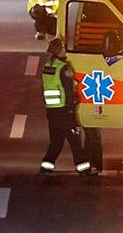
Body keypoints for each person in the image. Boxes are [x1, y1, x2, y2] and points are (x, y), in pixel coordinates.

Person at [40, 38, 93, 176]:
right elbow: (68, 90)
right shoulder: (64, 68)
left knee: (56, 141)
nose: (65, 49)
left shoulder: (48, 66)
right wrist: (72, 106)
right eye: (63, 47)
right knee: (74, 139)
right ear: (59, 50)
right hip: (64, 110)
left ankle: (46, 167)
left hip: (52, 110)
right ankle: (84, 169)